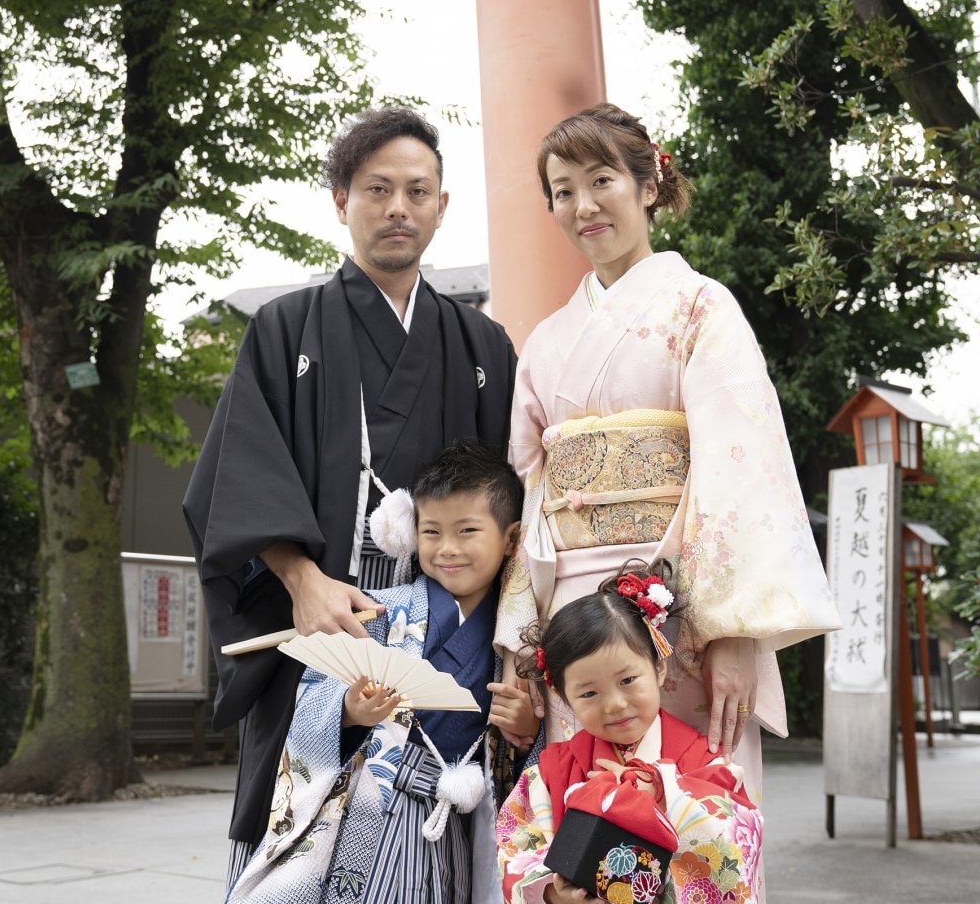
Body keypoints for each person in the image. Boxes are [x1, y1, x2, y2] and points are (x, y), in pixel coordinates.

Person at [184, 108, 517, 871]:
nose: (398, 208)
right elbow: (233, 479)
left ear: (441, 205)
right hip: (320, 640)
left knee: (437, 851)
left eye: (417, 191)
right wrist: (300, 581)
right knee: (300, 850)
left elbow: (513, 507)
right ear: (341, 200)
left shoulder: (483, 347)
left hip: (449, 653)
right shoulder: (283, 329)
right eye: (377, 189)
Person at [494, 104, 838, 812]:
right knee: (585, 826)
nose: (582, 206)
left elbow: (742, 468)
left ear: (648, 184)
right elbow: (531, 494)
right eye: (562, 191)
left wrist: (734, 630)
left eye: (601, 180)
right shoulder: (547, 344)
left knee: (696, 820)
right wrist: (521, 640)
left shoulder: (700, 307)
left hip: (679, 613)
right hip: (573, 628)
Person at [227, 440, 538, 904]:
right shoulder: (380, 613)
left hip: (453, 818)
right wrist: (350, 710)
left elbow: (524, 757)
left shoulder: (515, 641)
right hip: (371, 802)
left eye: (467, 530)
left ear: (511, 538)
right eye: (431, 532)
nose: (447, 549)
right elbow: (312, 704)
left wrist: (525, 730)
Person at [497, 561, 763, 904]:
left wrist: (667, 794)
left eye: (627, 680)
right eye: (590, 693)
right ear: (563, 697)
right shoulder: (553, 769)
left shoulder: (701, 761)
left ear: (659, 666)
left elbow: (738, 843)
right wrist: (551, 893)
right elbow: (515, 846)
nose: (615, 704)